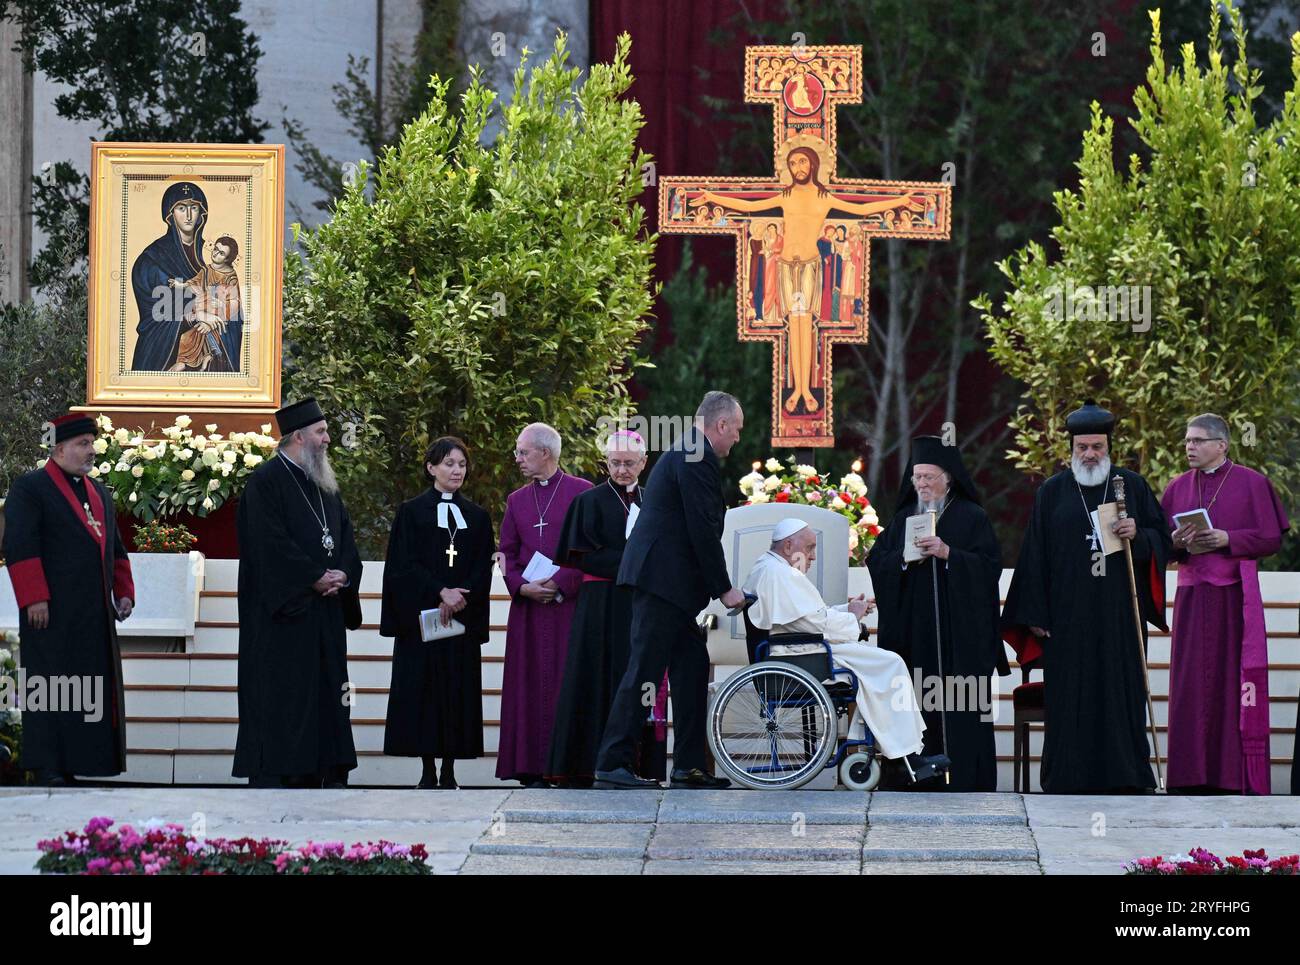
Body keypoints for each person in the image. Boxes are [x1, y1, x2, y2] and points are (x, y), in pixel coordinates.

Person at [1001, 401, 1171, 793]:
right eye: (1083, 448)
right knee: (1071, 698)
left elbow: (1163, 540)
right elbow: (1033, 556)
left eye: (1097, 447)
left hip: (1119, 616)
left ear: (1108, 447)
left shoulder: (1131, 486)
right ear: (1072, 449)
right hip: (1066, 617)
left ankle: (1125, 777)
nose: (1090, 454)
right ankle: (1068, 777)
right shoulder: (1052, 492)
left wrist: (1139, 535)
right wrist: (1035, 612)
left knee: (1120, 693)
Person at [594, 390, 748, 790]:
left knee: (692, 668)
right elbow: (701, 527)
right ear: (721, 425)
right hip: (662, 582)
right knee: (643, 671)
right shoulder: (696, 455)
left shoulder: (690, 451)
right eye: (736, 430)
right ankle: (613, 762)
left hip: (671, 586)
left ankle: (689, 766)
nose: (737, 439)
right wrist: (725, 589)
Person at [746, 518, 949, 783]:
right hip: (803, 654)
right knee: (890, 664)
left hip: (803, 649)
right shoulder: (779, 573)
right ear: (788, 546)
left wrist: (849, 609)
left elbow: (807, 616)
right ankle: (905, 757)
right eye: (809, 548)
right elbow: (813, 623)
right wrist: (852, 618)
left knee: (882, 669)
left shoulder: (773, 568)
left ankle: (903, 755)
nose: (813, 556)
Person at [232, 398, 363, 788]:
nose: (327, 440)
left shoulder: (326, 485)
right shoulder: (265, 483)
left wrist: (342, 573)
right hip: (284, 617)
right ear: (298, 437)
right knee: (286, 696)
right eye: (321, 432)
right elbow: (266, 545)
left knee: (329, 693)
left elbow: (345, 539)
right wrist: (312, 577)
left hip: (325, 615)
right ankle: (286, 770)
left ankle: (329, 766)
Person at [867, 435, 1008, 791]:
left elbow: (989, 568)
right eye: (917, 478)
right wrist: (901, 558)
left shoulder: (971, 517)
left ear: (948, 478)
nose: (922, 484)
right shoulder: (902, 519)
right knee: (915, 708)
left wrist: (948, 554)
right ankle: (914, 780)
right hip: (914, 639)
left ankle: (966, 780)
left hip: (959, 642)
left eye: (929, 477)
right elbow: (877, 562)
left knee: (962, 708)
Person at [2, 413, 134, 785]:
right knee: (52, 686)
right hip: (52, 613)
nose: (92, 451)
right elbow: (20, 545)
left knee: (87, 686)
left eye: (92, 443)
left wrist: (123, 593)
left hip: (92, 617)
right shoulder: (31, 489)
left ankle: (79, 761)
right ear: (59, 449)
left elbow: (116, 550)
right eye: (83, 444)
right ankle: (48, 765)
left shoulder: (100, 494)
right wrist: (34, 599)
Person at [1161, 414, 1288, 795]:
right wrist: (1177, 542)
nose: (1190, 447)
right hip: (1192, 597)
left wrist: (1227, 538)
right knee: (1190, 689)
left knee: (1232, 687)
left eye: (1198, 441)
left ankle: (1230, 778)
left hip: (1234, 599)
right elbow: (1160, 543)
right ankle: (1188, 776)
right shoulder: (1177, 487)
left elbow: (1270, 539)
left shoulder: (1252, 483)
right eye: (1187, 441)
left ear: (1222, 444)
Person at [546, 430, 666, 787]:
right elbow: (579, 555)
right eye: (615, 463)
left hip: (639, 606)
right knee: (595, 680)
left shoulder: (653, 502)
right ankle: (586, 765)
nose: (622, 470)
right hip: (600, 608)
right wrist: (633, 563)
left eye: (629, 463)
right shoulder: (590, 501)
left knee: (637, 681)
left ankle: (637, 766)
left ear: (644, 463)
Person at [380, 436, 494, 790]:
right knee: (425, 694)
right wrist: (438, 592)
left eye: (461, 464)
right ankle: (427, 771)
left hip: (459, 621)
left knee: (455, 694)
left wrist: (460, 597)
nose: (456, 470)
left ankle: (449, 771)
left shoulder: (477, 516)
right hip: (423, 622)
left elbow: (482, 566)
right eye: (448, 463)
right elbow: (402, 564)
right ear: (431, 468)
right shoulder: (411, 512)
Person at [496, 423, 592, 787]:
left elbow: (589, 549)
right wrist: (521, 587)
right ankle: (530, 768)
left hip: (569, 609)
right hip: (529, 613)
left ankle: (571, 767)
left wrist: (559, 583)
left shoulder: (583, 493)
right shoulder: (516, 500)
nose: (518, 458)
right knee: (529, 688)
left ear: (545, 453)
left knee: (569, 685)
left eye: (523, 452)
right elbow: (505, 554)